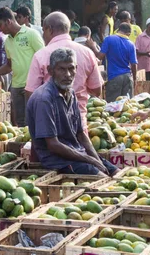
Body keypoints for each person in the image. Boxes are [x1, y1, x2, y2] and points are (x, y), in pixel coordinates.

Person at [27, 48, 119, 176]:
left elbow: (81, 134)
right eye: (62, 69)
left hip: (77, 154)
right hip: (56, 160)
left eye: (71, 69)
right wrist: (90, 160)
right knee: (103, 178)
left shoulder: (70, 93)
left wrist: (97, 159)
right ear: (51, 71)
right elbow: (53, 144)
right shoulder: (44, 99)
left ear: (76, 68)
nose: (68, 74)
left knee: (117, 173)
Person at [25, 12, 103, 132]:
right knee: (79, 150)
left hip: (50, 123)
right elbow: (97, 90)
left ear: (49, 29)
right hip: (79, 124)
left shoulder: (41, 55)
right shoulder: (87, 53)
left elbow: (31, 94)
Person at [0, 7, 44, 126]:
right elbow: (9, 66)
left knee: (33, 122)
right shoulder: (7, 41)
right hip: (16, 87)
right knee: (21, 123)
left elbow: (43, 58)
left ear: (8, 22)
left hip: (33, 86)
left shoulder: (31, 34)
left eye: (0, 25)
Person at [88, 23, 137, 102]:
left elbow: (100, 56)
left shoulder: (109, 39)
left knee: (112, 106)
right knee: (127, 106)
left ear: (118, 30)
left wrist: (93, 46)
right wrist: (134, 79)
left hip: (114, 77)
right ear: (129, 33)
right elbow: (134, 64)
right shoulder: (131, 44)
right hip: (128, 77)